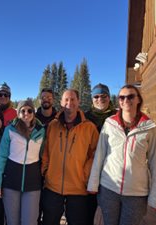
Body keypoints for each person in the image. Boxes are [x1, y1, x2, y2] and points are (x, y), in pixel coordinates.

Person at [87, 84, 156, 225]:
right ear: (119, 101)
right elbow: (100, 156)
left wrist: (155, 197)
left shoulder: (149, 127)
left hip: (136, 193)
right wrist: (93, 184)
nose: (126, 100)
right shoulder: (110, 123)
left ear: (138, 99)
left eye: (130, 96)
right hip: (109, 188)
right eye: (122, 97)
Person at [41, 89, 99, 225]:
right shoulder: (53, 125)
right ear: (61, 102)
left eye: (73, 99)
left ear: (78, 101)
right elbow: (45, 150)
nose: (69, 102)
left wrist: (85, 175)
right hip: (53, 187)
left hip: (78, 188)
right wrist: (45, 170)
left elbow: (96, 153)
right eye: (66, 99)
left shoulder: (89, 127)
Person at [0, 100, 45, 225]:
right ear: (18, 113)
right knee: (12, 221)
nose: (26, 113)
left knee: (30, 221)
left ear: (33, 112)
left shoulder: (41, 131)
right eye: (23, 110)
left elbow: (44, 155)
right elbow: (2, 157)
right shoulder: (10, 130)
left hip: (33, 183)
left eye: (29, 110)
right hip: (11, 182)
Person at [85, 83, 116, 225]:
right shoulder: (85, 117)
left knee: (108, 211)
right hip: (88, 168)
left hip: (111, 169)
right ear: (92, 99)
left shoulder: (117, 116)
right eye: (96, 96)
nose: (100, 99)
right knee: (88, 208)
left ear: (109, 98)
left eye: (104, 96)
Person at [35, 87, 57, 225]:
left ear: (53, 100)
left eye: (49, 97)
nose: (46, 99)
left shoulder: (59, 118)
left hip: (53, 166)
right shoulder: (33, 118)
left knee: (50, 208)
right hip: (34, 165)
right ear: (40, 99)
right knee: (35, 206)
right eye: (43, 97)